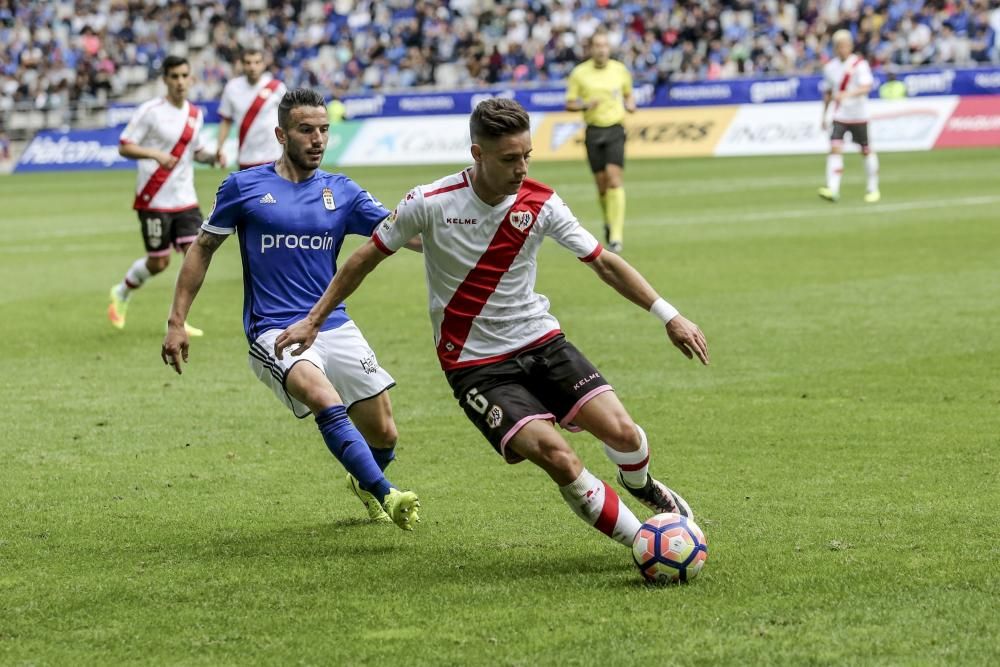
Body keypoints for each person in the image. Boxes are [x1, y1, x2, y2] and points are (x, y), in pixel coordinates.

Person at [274, 98, 709, 552]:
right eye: (509, 159)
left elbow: (604, 263)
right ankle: (647, 544)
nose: (521, 168)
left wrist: (669, 315)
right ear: (477, 154)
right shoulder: (429, 202)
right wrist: (314, 321)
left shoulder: (540, 202)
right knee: (556, 456)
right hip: (475, 364)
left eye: (527, 156)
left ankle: (640, 485)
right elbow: (362, 260)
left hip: (542, 341)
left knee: (625, 435)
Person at [160, 88, 421, 530]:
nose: (317, 139)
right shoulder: (243, 187)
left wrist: (450, 228)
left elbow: (401, 235)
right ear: (282, 134)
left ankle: (364, 479)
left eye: (323, 130)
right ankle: (387, 494)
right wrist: (177, 321)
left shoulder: (343, 191)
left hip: (332, 323)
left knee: (385, 434)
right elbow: (202, 249)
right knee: (324, 398)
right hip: (273, 329)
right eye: (306, 130)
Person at [109, 55, 214, 334]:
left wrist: (212, 156)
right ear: (165, 80)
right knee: (159, 262)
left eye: (184, 76)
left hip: (186, 198)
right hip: (154, 197)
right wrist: (155, 154)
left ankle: (177, 319)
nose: (180, 82)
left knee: (194, 255)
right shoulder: (150, 111)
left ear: (191, 78)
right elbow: (124, 145)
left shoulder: (195, 114)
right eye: (174, 77)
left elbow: (197, 151)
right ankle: (121, 292)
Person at [565, 30, 636, 254]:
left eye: (605, 45)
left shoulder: (620, 70)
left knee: (615, 180)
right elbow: (570, 103)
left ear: (609, 48)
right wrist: (585, 105)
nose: (601, 49)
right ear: (591, 48)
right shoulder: (579, 73)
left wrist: (630, 104)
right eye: (597, 45)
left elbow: (628, 94)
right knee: (602, 185)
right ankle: (608, 220)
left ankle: (616, 235)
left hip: (615, 128)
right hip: (593, 131)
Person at [819, 30, 880, 204]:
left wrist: (847, 94)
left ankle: (873, 188)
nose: (843, 49)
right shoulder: (830, 68)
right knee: (835, 148)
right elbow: (828, 93)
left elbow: (866, 87)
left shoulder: (860, 65)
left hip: (859, 114)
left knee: (866, 150)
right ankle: (832, 188)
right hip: (840, 114)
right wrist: (824, 115)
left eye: (846, 45)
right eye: (840, 46)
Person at [215, 48, 286, 170]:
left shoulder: (277, 87)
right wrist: (219, 148)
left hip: (274, 157)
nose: (253, 67)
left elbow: (288, 120)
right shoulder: (232, 88)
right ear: (242, 65)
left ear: (263, 64)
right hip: (246, 158)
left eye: (257, 62)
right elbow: (226, 121)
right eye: (248, 63)